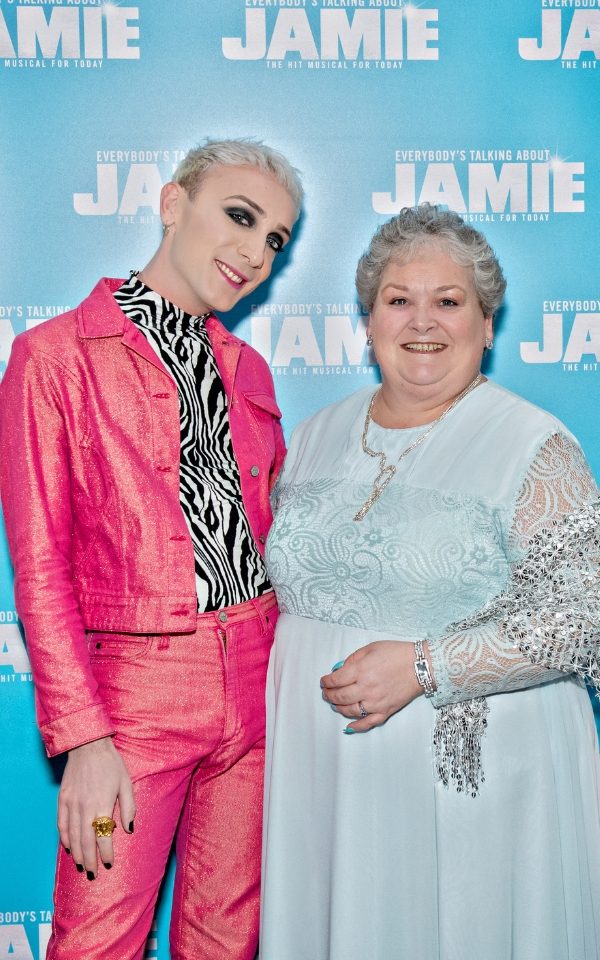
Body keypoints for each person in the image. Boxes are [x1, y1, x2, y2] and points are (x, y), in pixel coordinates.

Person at [260, 204, 600, 960]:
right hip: (321, 778)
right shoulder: (315, 434)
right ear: (369, 317)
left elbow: (584, 616)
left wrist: (424, 667)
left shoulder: (531, 443)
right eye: (398, 299)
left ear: (487, 323)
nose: (423, 322)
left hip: (469, 785)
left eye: (449, 301)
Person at [0, 138, 302, 960]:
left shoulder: (250, 371)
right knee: (97, 937)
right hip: (131, 707)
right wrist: (83, 740)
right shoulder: (53, 358)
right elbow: (39, 565)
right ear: (173, 205)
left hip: (257, 688)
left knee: (225, 940)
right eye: (240, 217)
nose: (254, 252)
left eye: (275, 238)